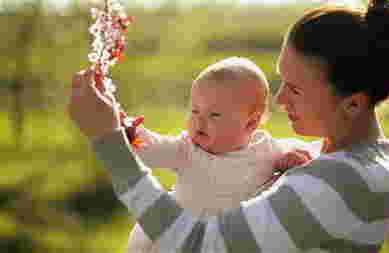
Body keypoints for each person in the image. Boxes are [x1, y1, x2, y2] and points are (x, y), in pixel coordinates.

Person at [69, 0, 389, 252]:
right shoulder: (322, 157)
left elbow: (199, 244)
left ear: (353, 102)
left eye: (295, 89)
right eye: (282, 81)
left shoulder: (346, 182)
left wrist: (109, 142)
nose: (279, 101)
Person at [125, 57, 314, 253]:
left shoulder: (265, 149)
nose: (199, 122)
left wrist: (292, 160)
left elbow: (295, 159)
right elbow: (154, 148)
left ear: (250, 123)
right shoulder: (187, 150)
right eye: (195, 111)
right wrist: (133, 135)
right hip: (180, 238)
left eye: (214, 115)